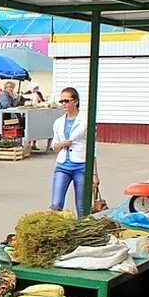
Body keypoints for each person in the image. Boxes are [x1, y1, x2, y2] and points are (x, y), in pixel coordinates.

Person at [50, 87, 89, 217]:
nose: (63, 104)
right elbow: (54, 145)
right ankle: (56, 232)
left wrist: (94, 174)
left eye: (66, 101)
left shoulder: (85, 120)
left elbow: (92, 148)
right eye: (61, 101)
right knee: (56, 204)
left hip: (81, 165)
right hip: (63, 165)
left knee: (82, 207)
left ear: (75, 101)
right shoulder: (59, 122)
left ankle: (82, 233)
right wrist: (62, 144)